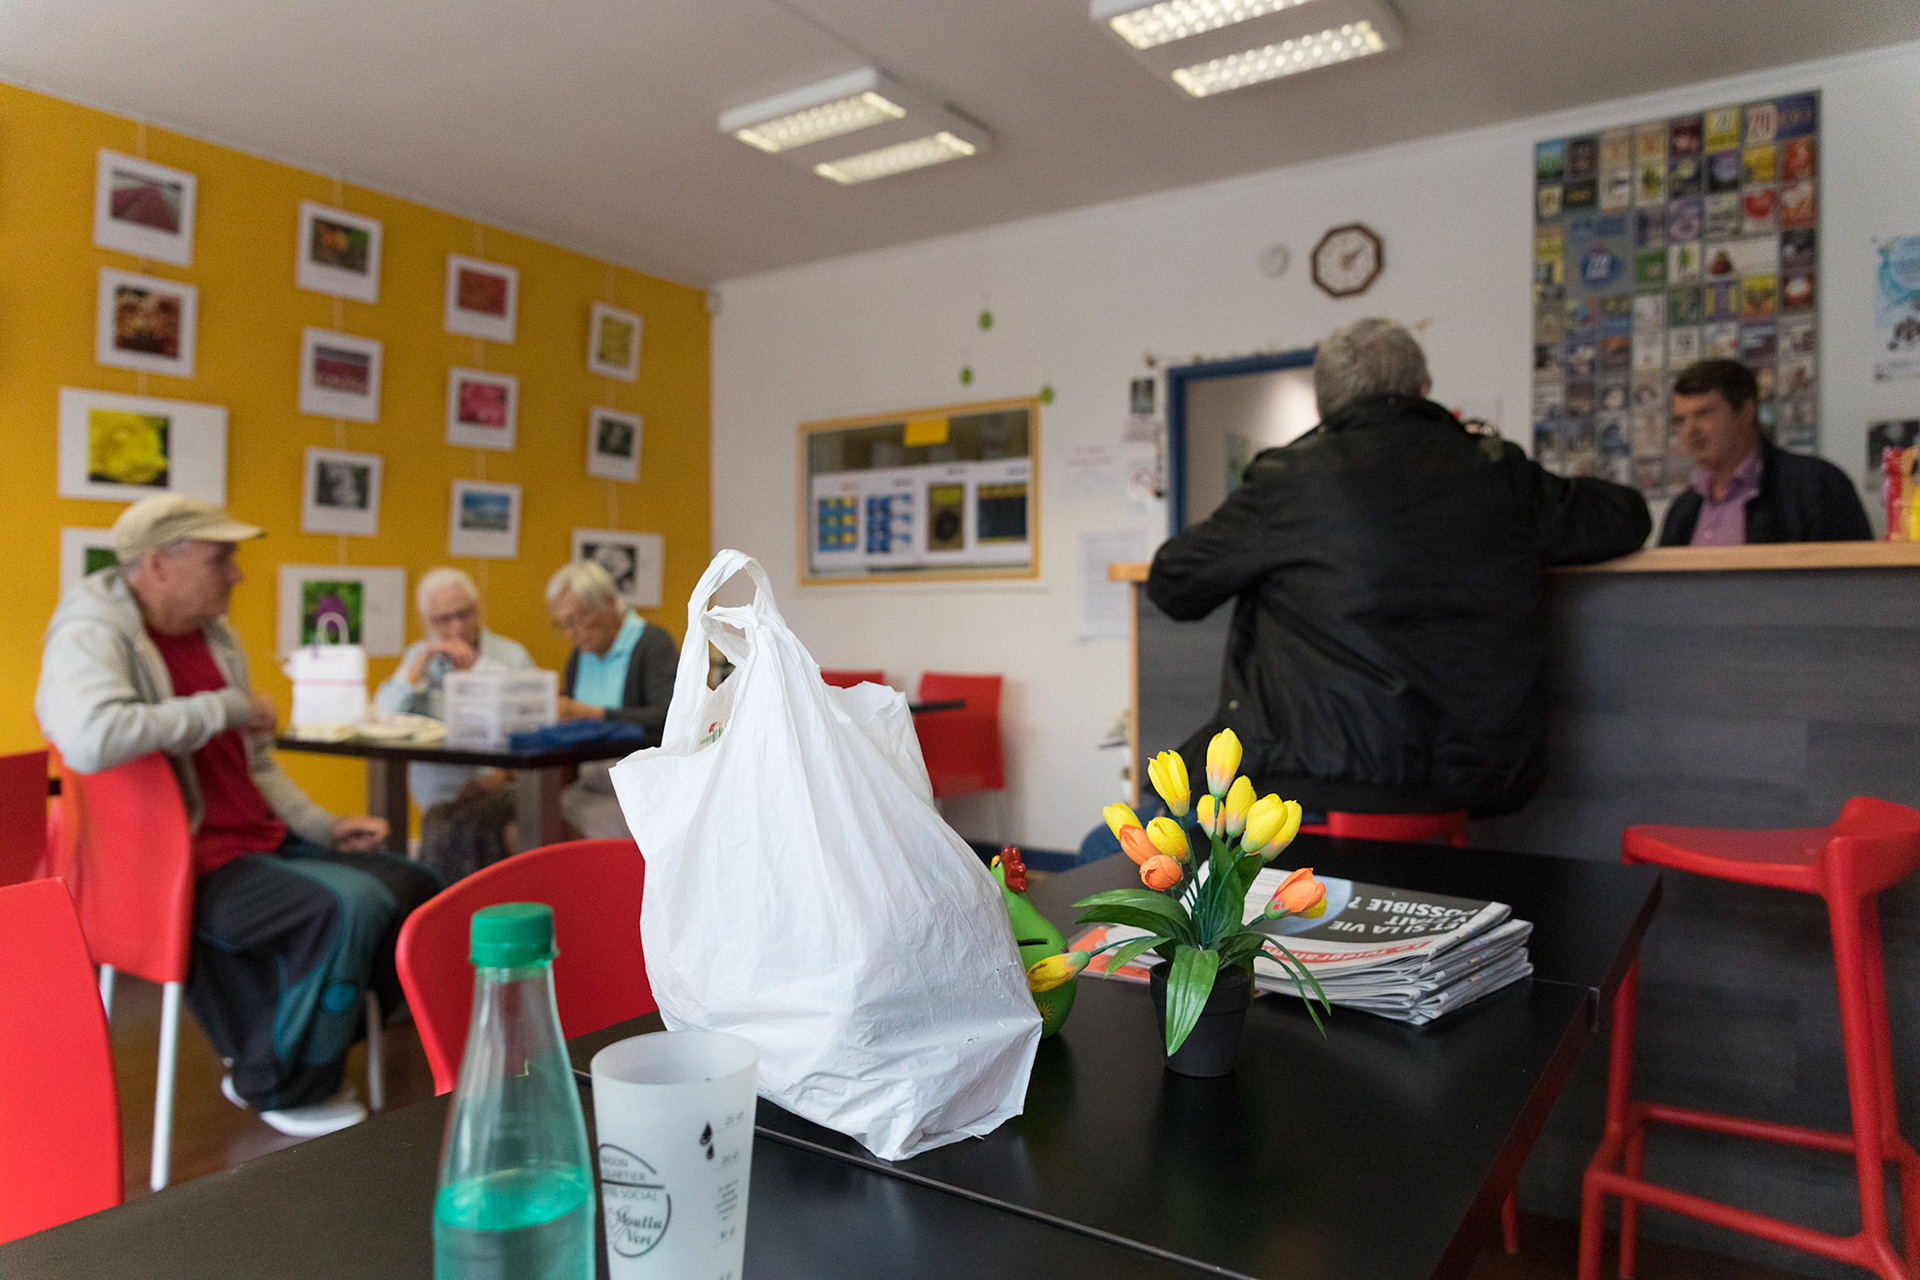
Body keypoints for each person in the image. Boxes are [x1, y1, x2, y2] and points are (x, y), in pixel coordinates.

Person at [35, 495, 441, 1137]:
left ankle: (295, 1035)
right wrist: (220, 707)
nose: (238, 574)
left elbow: (255, 766)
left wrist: (322, 826)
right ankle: (277, 1076)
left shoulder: (217, 637)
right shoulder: (89, 634)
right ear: (157, 566)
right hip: (173, 863)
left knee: (419, 887)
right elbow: (90, 738)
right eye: (221, 557)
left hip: (254, 842)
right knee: (348, 906)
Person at [1145, 318, 1651, 820]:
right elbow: (1625, 519)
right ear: (1424, 389)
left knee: (1113, 841)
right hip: (1480, 780)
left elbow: (1173, 584)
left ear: (1323, 405)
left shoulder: (1289, 480)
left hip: (1314, 780)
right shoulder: (1499, 472)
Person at [1659, 358, 1870, 545]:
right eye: (1680, 420)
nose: (1690, 430)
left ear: (1746, 411)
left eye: (1704, 414)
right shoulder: (1682, 509)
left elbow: (1848, 582)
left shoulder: (1816, 484)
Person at [373, 566, 535, 808]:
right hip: (439, 782)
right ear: (429, 622)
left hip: (502, 777)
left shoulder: (511, 654)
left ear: (477, 609)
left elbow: (536, 718)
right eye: (444, 619)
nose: (456, 627)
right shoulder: (420, 657)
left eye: (463, 614)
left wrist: (479, 668)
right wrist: (415, 675)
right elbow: (383, 714)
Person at [545, 560, 677, 838]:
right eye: (563, 624)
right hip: (587, 785)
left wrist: (589, 713)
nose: (571, 633)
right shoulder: (580, 656)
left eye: (577, 619)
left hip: (638, 791)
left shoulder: (651, 644)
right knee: (525, 823)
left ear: (607, 603)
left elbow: (667, 718)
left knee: (555, 832)